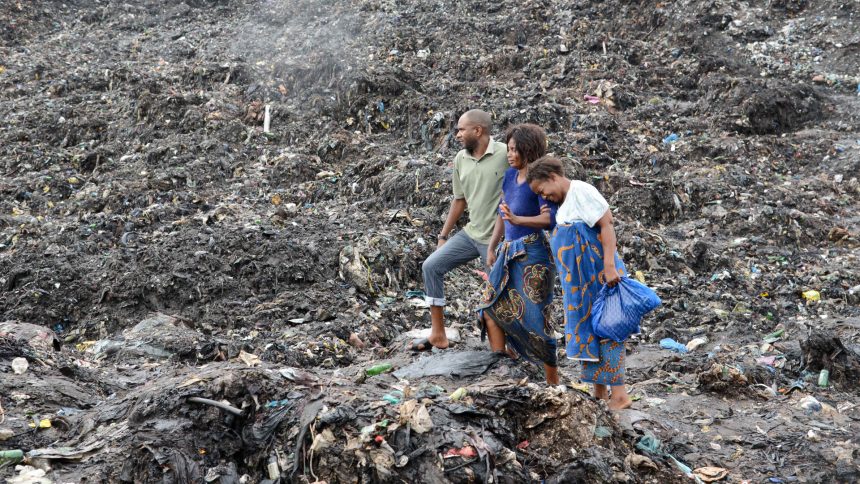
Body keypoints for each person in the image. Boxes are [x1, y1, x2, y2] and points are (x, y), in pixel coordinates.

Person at [526, 156, 633, 410]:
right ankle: (599, 394)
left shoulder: (581, 191)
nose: (544, 197)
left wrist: (609, 265)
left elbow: (606, 225)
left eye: (543, 191)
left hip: (599, 279)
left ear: (552, 177)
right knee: (588, 335)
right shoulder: (564, 205)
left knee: (608, 331)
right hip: (580, 287)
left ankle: (620, 395)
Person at [412, 109, 509, 351]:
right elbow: (459, 200)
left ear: (478, 131)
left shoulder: (506, 154)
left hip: (495, 239)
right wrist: (443, 236)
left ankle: (508, 347)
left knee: (499, 293)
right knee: (431, 266)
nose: (456, 134)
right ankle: (438, 334)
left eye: (461, 129)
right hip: (471, 233)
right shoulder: (460, 159)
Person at [477, 124, 559, 384]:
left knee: (537, 318)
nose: (509, 154)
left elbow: (549, 218)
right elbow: (503, 215)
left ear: (528, 150)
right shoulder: (510, 177)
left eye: (514, 150)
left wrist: (518, 217)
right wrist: (492, 246)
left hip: (533, 253)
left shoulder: (539, 180)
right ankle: (500, 367)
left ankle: (552, 382)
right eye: (509, 149)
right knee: (490, 307)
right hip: (507, 251)